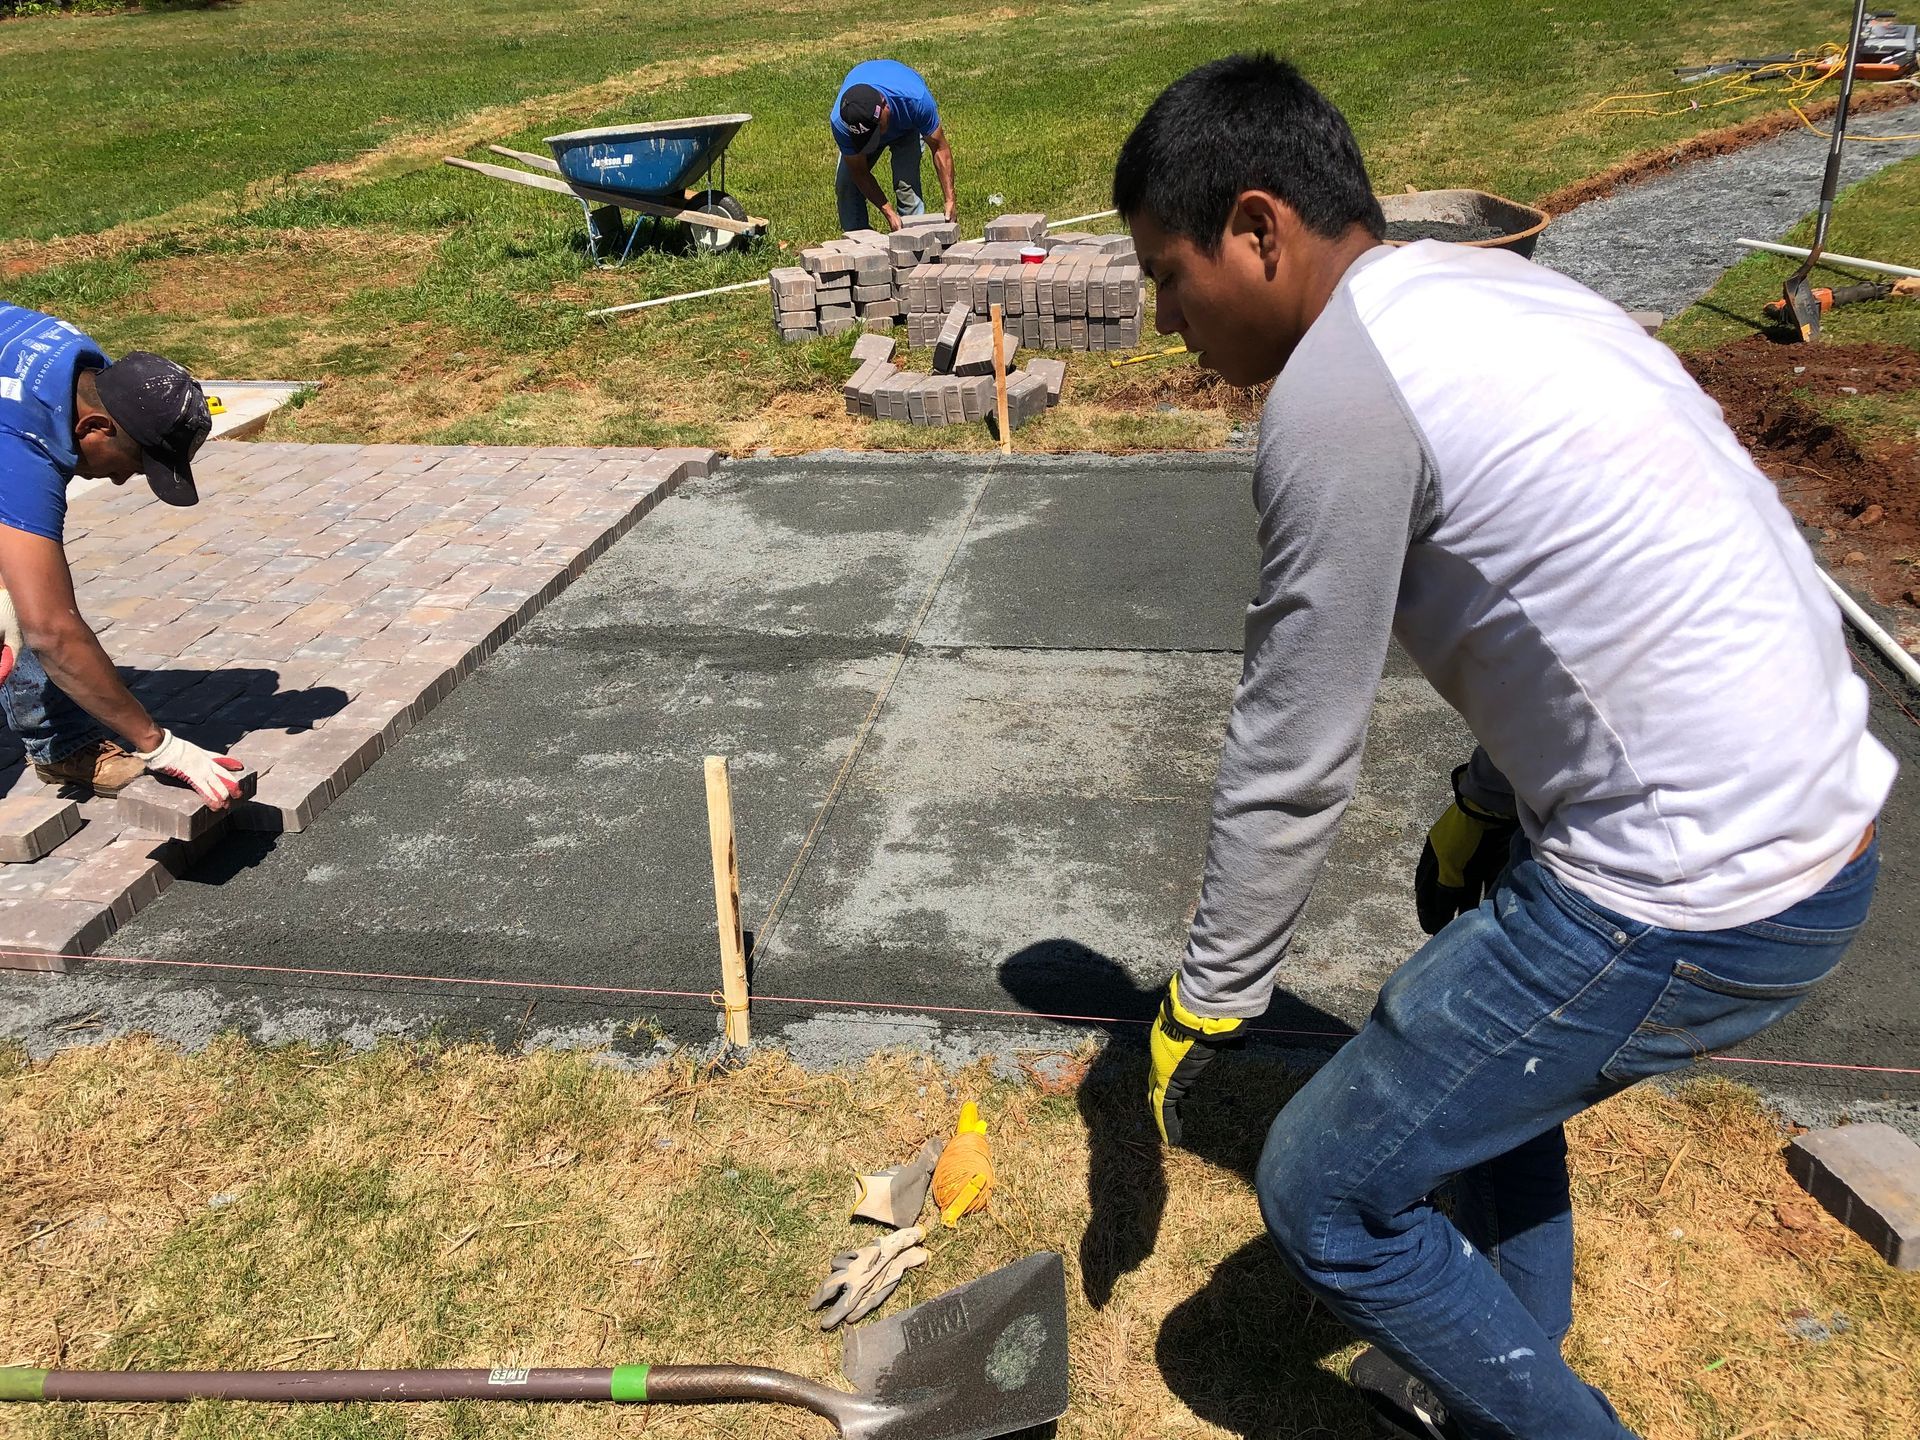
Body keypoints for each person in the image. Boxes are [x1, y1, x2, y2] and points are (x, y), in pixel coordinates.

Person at [1117, 54, 1892, 1440]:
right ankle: (1505, 1342)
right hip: (1807, 808)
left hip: (1702, 884)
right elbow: (1593, 597)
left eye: (1168, 275)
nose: (1166, 320)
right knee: (1467, 936)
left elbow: (1294, 743)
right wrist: (1491, 800)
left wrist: (1211, 997)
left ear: (1257, 229)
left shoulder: (1338, 400)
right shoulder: (1492, 291)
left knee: (1322, 1191)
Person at [0, 302, 245, 808]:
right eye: (134, 463)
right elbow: (53, 633)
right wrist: (159, 744)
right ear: (95, 427)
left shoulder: (82, 367)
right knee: (36, 611)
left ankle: (58, 743)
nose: (121, 478)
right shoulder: (19, 447)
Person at [830, 59, 957, 233]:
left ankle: (916, 241)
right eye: (869, 134)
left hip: (906, 127)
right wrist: (888, 212)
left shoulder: (915, 100)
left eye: (876, 129)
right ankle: (856, 242)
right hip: (864, 130)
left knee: (906, 185)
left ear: (885, 105)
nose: (877, 137)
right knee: (846, 185)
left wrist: (950, 199)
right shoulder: (842, 122)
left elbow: (939, 148)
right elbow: (859, 172)